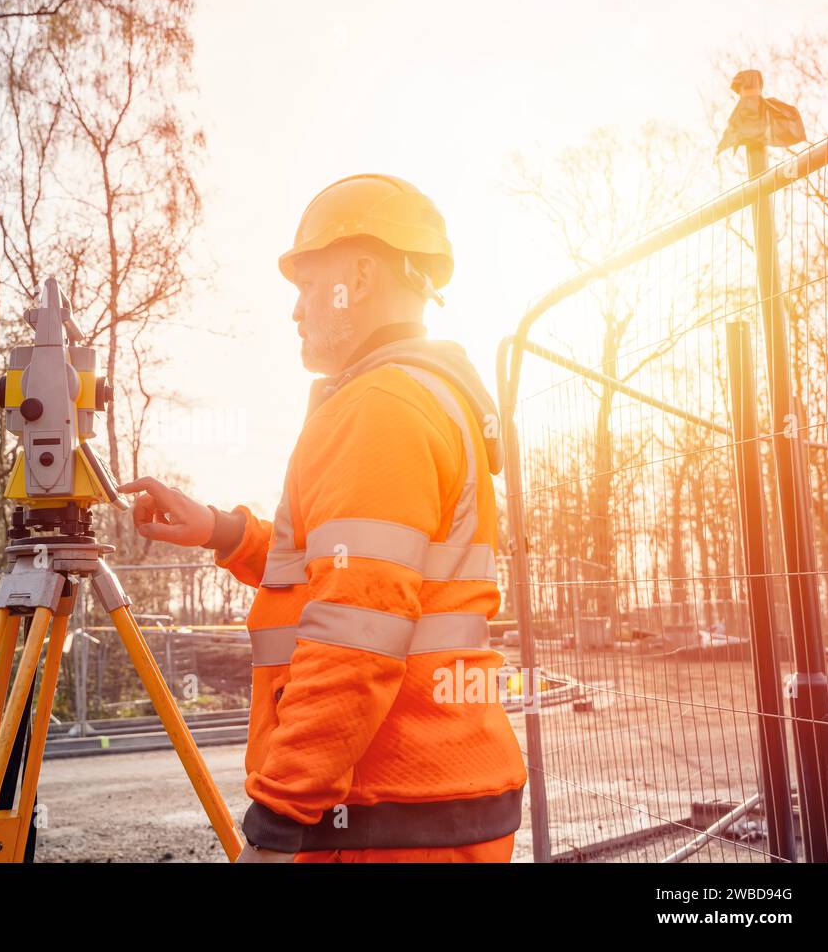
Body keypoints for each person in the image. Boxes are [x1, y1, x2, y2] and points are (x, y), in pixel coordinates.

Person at [119, 174, 527, 863]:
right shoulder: (422, 397)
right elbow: (356, 576)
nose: (297, 311)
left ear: (360, 277)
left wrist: (281, 822)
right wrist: (222, 531)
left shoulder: (379, 408)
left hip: (382, 813)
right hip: (429, 803)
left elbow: (355, 633)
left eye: (308, 286)